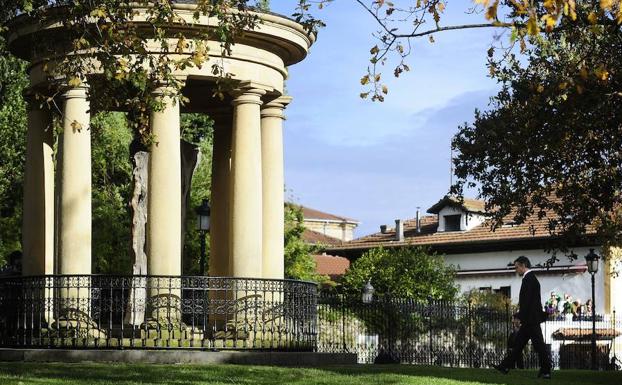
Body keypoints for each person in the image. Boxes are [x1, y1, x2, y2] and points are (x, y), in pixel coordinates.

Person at [494, 256, 551, 379]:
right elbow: (530, 302)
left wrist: (518, 316)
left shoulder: (529, 279)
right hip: (530, 320)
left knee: (538, 346)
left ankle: (546, 371)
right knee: (518, 345)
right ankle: (505, 366)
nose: (516, 270)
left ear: (523, 265)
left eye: (517, 267)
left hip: (531, 320)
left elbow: (527, 302)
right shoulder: (530, 279)